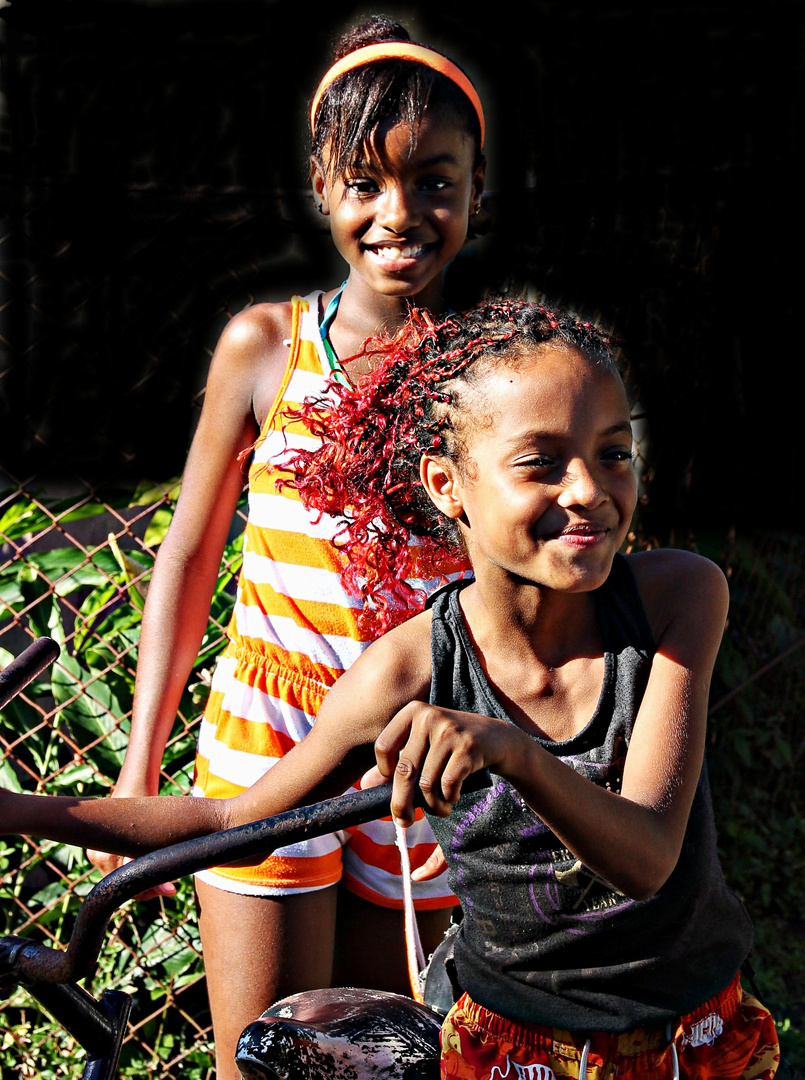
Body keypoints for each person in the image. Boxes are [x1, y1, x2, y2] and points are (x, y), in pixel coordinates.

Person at [3, 300, 779, 1079]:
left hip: (697, 1037)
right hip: (512, 1050)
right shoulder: (406, 672)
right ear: (447, 484)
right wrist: (21, 811)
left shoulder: (675, 599)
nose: (587, 490)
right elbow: (234, 817)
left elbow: (644, 859)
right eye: (541, 462)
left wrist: (513, 754)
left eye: (613, 454)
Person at [82, 14, 486, 1077]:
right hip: (267, 739)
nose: (399, 214)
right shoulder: (266, 347)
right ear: (321, 187)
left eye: (434, 181)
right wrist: (137, 771)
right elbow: (188, 556)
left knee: (389, 1059)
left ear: (475, 188)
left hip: (415, 760)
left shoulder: (493, 381)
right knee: (262, 1063)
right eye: (365, 183)